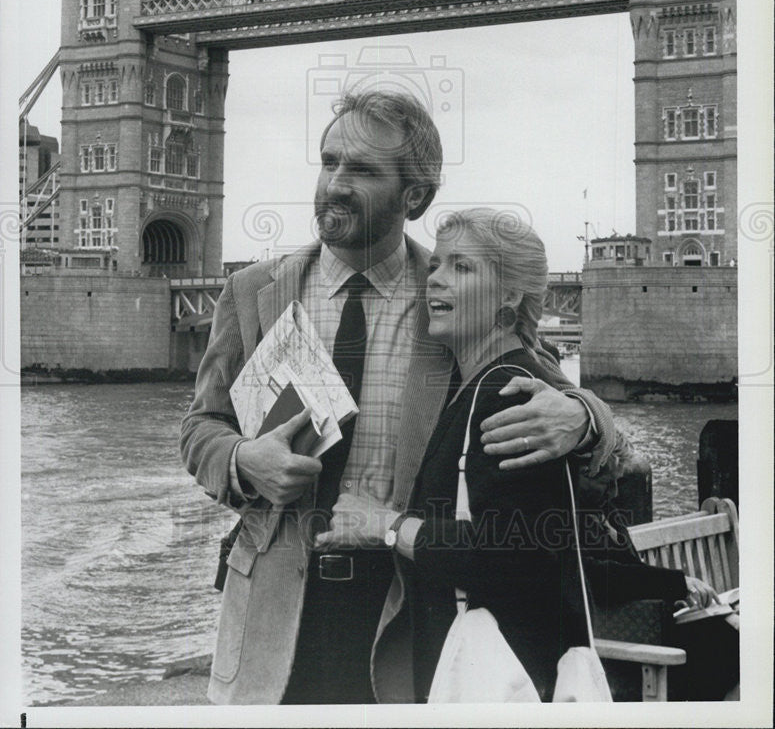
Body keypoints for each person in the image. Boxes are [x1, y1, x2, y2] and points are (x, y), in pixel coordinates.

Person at [180, 90, 622, 705]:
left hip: (405, 611)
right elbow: (202, 426)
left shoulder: (451, 299)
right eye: (329, 161)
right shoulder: (255, 291)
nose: (334, 183)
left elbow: (572, 404)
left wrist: (581, 417)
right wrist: (239, 460)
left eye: (361, 169)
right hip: (273, 614)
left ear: (414, 195)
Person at [319, 208, 721, 703]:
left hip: (496, 672)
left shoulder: (506, 394)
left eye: (462, 268)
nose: (437, 281)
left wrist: (384, 525)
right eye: (436, 265)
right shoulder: (487, 383)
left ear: (509, 296)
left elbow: (510, 556)